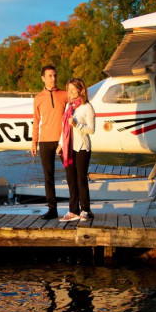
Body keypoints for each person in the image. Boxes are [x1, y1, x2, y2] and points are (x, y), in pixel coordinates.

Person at [31, 65, 68, 220]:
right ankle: (52, 209)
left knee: (70, 175)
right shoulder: (38, 98)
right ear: (43, 78)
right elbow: (36, 121)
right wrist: (34, 142)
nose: (53, 78)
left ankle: (75, 208)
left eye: (55, 75)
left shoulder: (65, 94)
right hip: (45, 141)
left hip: (62, 141)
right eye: (50, 76)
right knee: (48, 177)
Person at [56, 78, 95, 222]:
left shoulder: (87, 107)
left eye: (73, 89)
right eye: (68, 89)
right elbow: (64, 128)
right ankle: (73, 210)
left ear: (81, 90)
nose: (70, 92)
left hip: (82, 148)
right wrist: (60, 144)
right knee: (71, 181)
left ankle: (86, 210)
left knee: (81, 179)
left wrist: (77, 124)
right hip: (68, 148)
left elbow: (91, 130)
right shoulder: (69, 106)